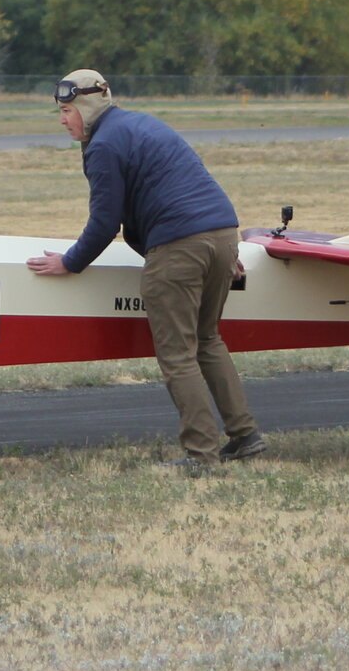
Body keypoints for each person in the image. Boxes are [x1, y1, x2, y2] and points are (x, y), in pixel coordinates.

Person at [26, 70, 263, 474]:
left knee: (178, 353)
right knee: (207, 339)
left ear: (87, 107)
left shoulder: (103, 145)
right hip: (223, 234)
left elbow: (105, 223)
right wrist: (220, 252)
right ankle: (245, 435)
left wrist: (69, 262)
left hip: (182, 246)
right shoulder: (142, 124)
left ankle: (201, 456)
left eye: (67, 110)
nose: (63, 120)